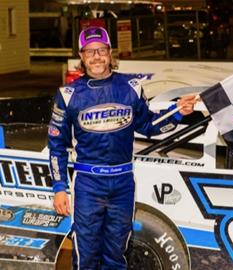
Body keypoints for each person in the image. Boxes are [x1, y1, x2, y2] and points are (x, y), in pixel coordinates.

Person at [48, 26, 197, 270]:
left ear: (110, 53)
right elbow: (56, 145)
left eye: (101, 50)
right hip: (87, 184)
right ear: (82, 57)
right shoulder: (67, 95)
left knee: (117, 254)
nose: (96, 57)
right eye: (90, 52)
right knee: (85, 256)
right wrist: (59, 188)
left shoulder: (131, 87)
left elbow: (149, 125)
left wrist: (177, 112)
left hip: (123, 183)